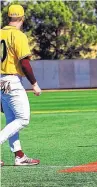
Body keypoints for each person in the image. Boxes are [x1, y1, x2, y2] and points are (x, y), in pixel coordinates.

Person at [0, 4, 42, 166]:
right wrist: (35, 84)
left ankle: (19, 155)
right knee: (23, 119)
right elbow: (24, 63)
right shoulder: (18, 35)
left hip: (1, 80)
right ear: (22, 18)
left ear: (9, 17)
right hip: (11, 80)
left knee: (12, 120)